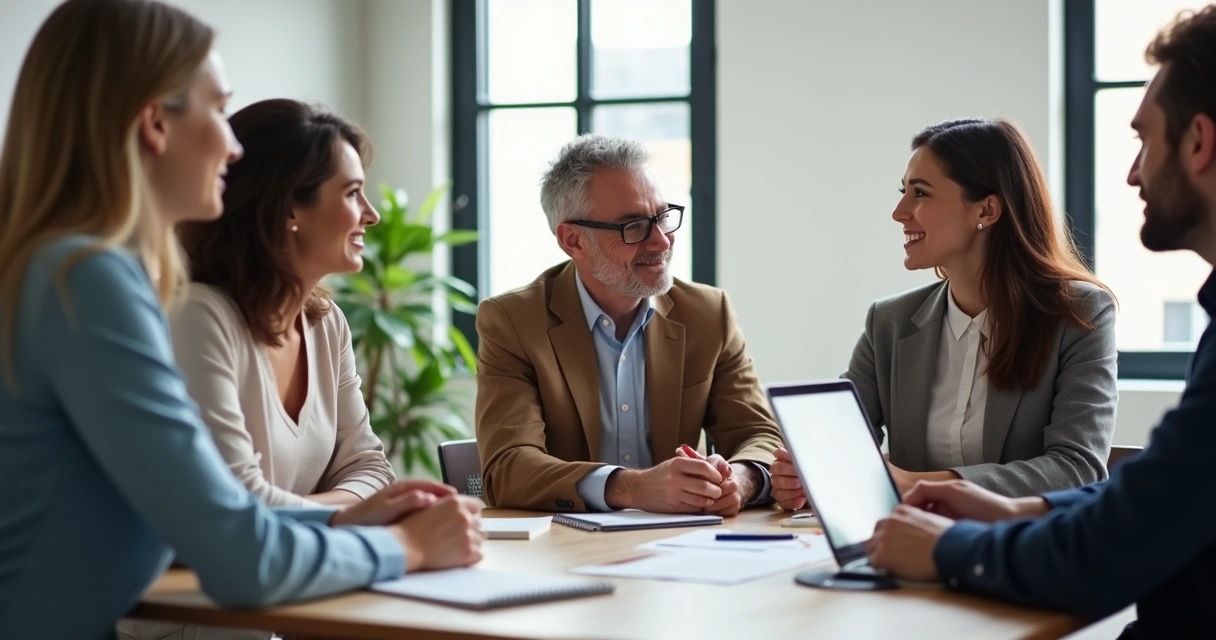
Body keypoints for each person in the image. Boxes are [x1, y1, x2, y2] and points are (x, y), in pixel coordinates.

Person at [0, 2, 482, 639]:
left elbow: (216, 519)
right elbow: (238, 554)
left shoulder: (68, 269)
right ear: (154, 124)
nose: (233, 147)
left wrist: (351, 521)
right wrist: (409, 548)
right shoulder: (88, 280)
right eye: (219, 111)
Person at [865, 7, 1216, 638]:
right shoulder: (892, 320)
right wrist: (1016, 509)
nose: (1132, 172)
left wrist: (947, 544)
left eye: (1144, 140)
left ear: (1199, 143)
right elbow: (1153, 499)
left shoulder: (1080, 313)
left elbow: (1110, 528)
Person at [770, 118, 1118, 507]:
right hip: (905, 550)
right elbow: (836, 447)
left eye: (920, 193)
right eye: (904, 192)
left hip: (1019, 556)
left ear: (986, 209)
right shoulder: (889, 323)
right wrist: (802, 474)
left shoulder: (1079, 315)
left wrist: (915, 485)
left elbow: (1076, 468)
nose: (899, 212)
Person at [474, 134, 783, 514]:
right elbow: (507, 469)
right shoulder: (514, 322)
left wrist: (740, 479)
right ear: (573, 240)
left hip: (685, 545)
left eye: (662, 217)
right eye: (633, 226)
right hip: (568, 551)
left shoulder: (707, 313)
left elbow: (759, 433)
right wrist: (631, 488)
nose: (661, 241)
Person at [172, 98, 393, 509]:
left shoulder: (327, 324)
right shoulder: (199, 318)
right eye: (352, 193)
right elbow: (235, 501)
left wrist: (336, 514)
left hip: (298, 562)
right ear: (290, 208)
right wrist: (356, 513)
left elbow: (372, 469)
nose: (372, 214)